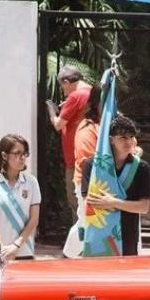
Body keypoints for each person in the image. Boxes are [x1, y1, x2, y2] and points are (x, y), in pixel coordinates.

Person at [81, 115, 150, 256]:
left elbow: (144, 207)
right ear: (111, 139)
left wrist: (113, 203)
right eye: (123, 137)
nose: (129, 141)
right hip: (99, 237)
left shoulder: (141, 167)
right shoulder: (93, 165)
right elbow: (88, 204)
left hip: (127, 236)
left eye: (131, 137)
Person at [0, 134, 41, 270]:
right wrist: (1, 247)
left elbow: (34, 220)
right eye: (17, 153)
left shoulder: (31, 182)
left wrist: (15, 246)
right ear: (4, 156)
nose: (23, 158)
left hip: (24, 252)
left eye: (25, 153)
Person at [64, 83, 103, 258]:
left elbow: (134, 148)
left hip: (113, 188)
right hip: (90, 185)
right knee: (86, 224)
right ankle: (70, 256)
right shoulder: (88, 127)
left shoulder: (114, 123)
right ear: (97, 102)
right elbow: (89, 162)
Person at [47, 65, 92, 209]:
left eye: (63, 87)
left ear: (66, 82)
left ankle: (79, 231)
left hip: (75, 158)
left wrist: (52, 111)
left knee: (76, 201)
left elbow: (58, 125)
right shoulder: (92, 93)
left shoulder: (75, 96)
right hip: (91, 155)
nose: (65, 92)